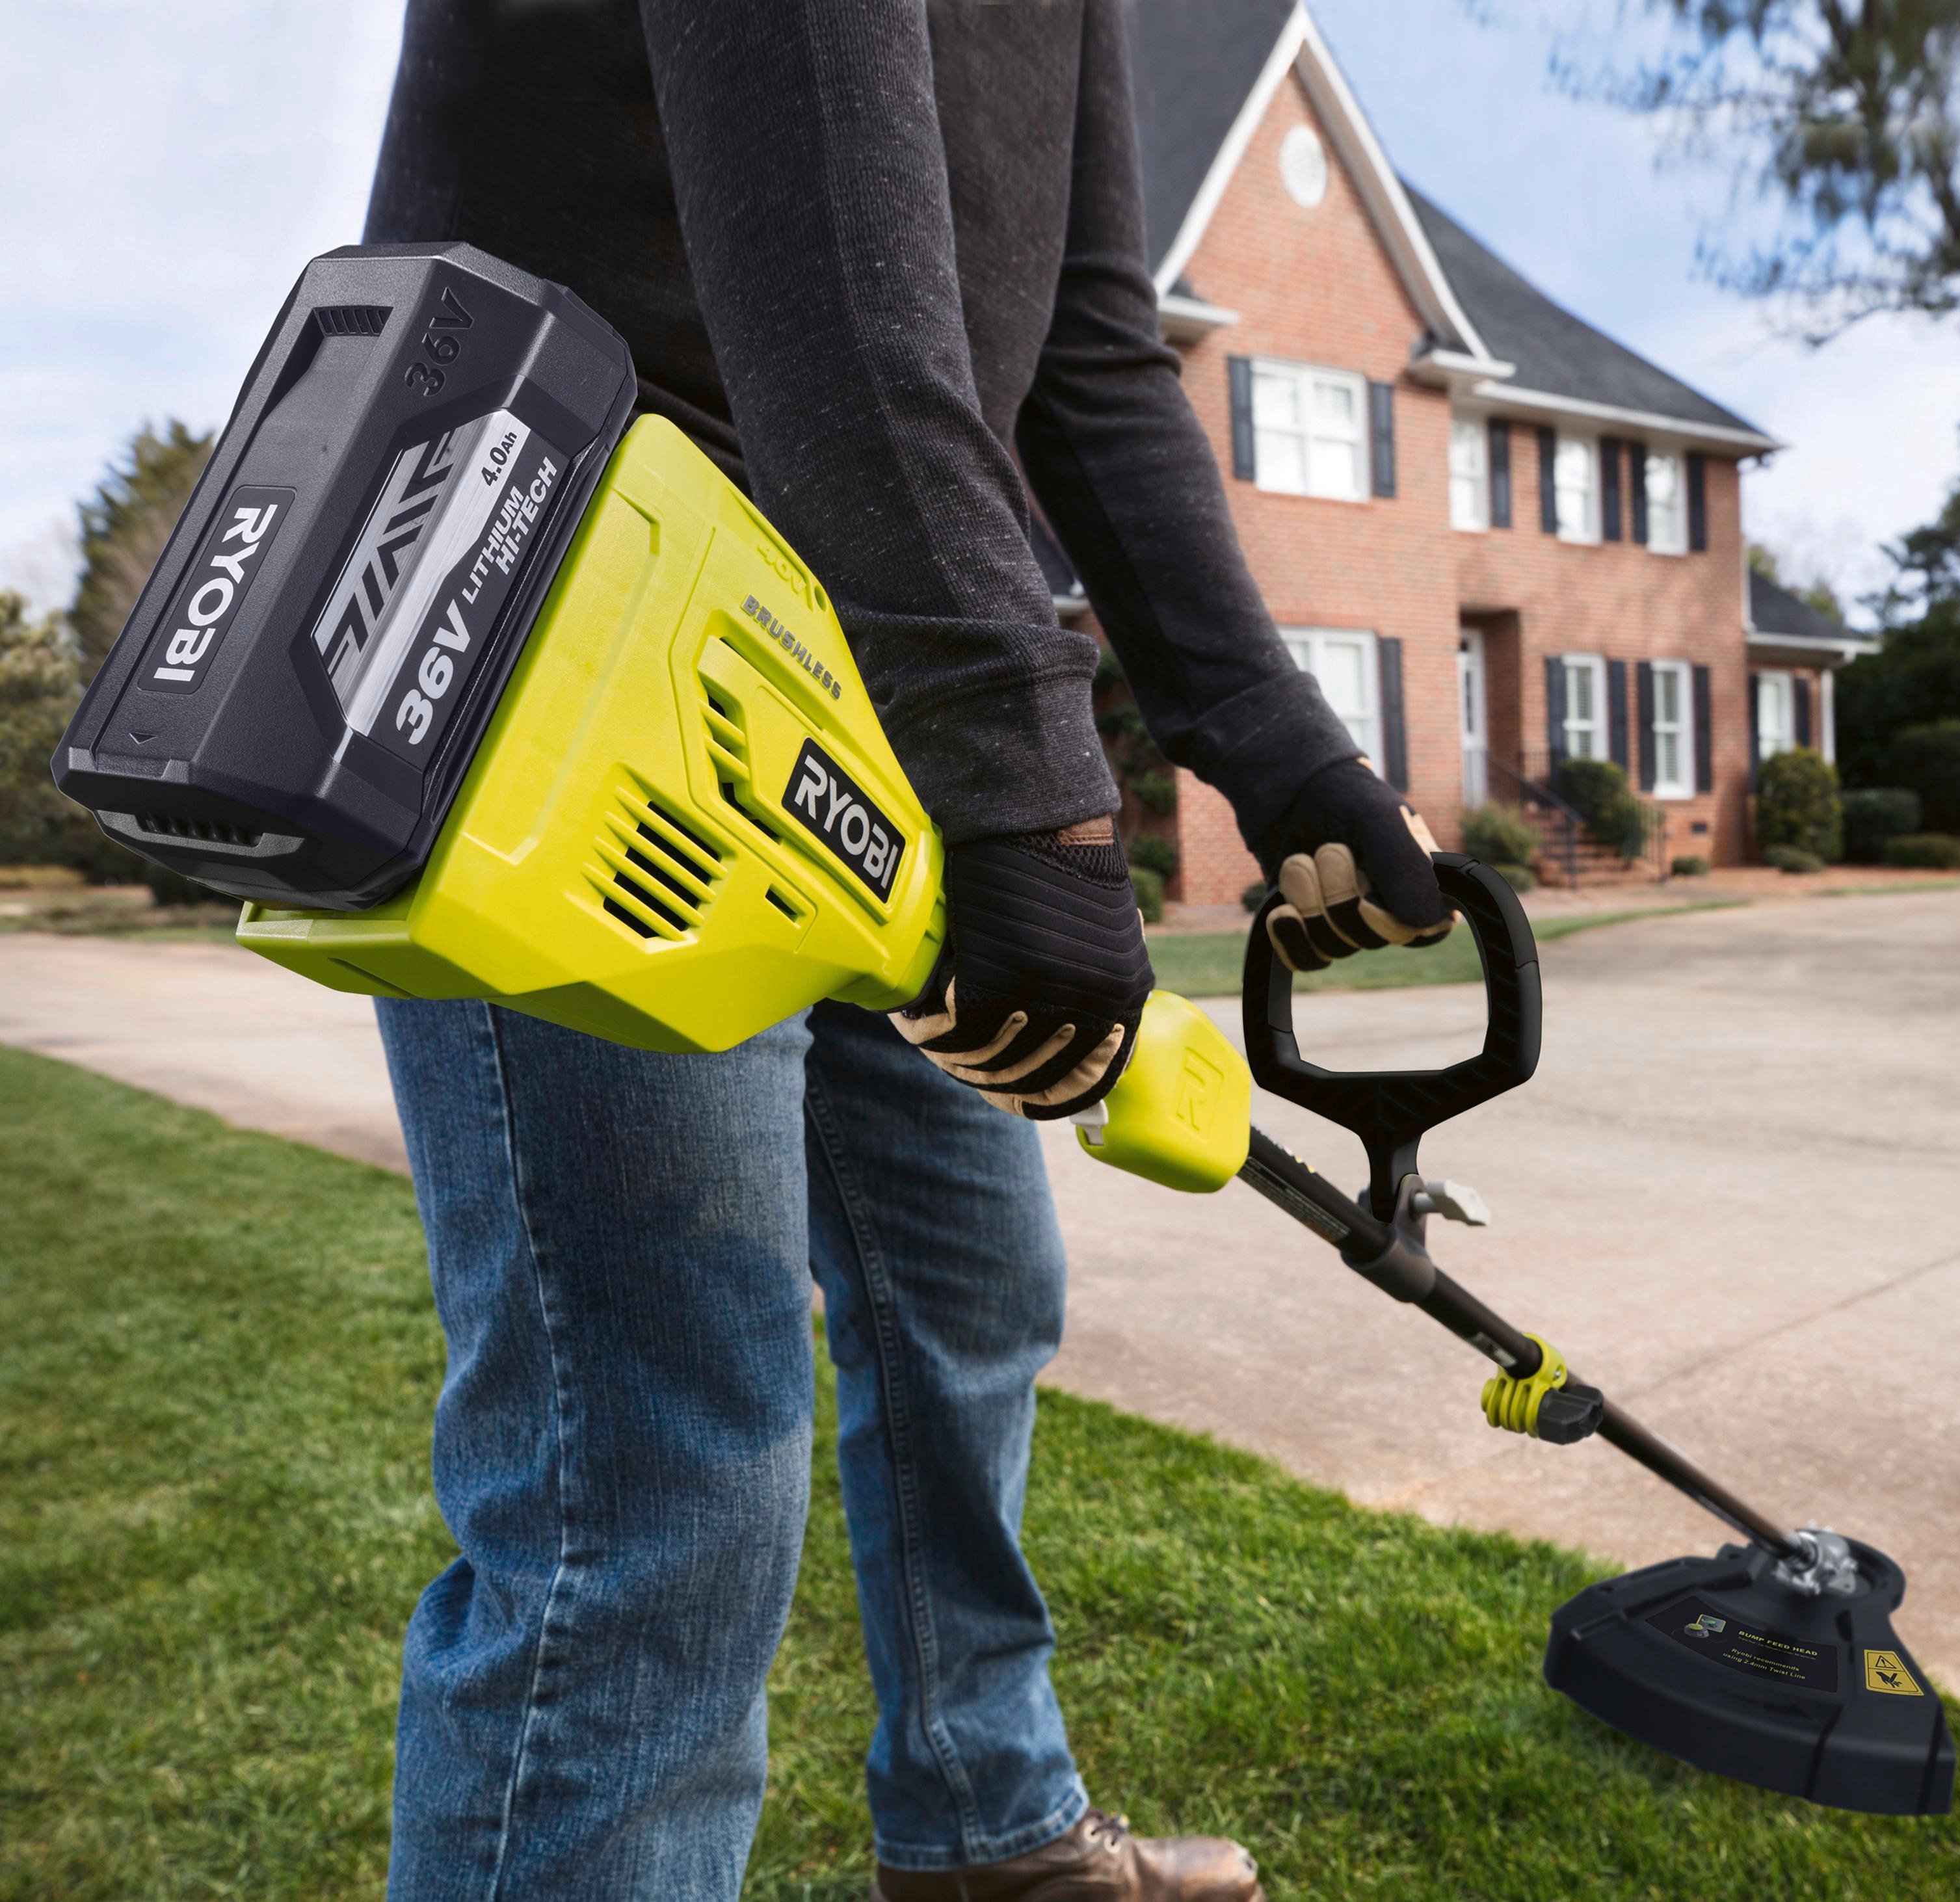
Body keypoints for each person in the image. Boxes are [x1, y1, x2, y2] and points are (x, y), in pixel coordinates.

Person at [360, 3, 1451, 1897]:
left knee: (966, 1296)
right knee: (650, 1459)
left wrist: (1279, 748)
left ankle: (989, 1826)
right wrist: (1032, 794)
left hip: (855, 709)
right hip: (566, 644)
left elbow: (1087, 348)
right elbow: (824, 262)